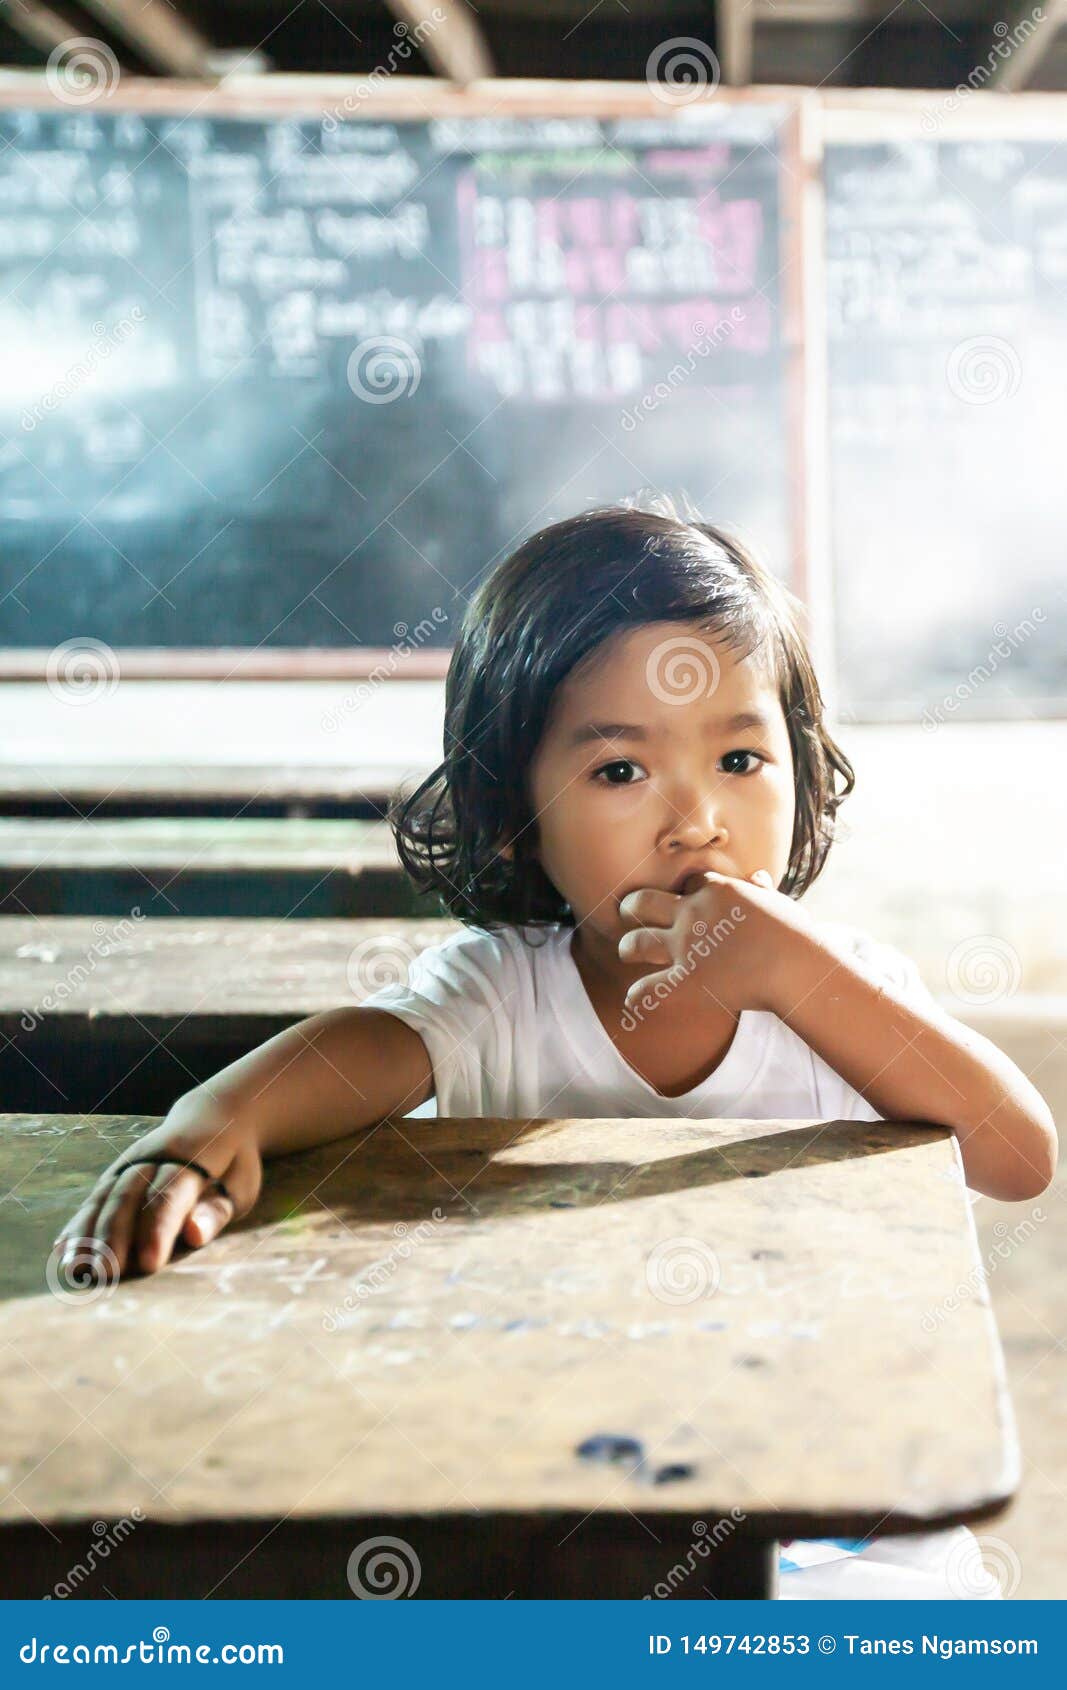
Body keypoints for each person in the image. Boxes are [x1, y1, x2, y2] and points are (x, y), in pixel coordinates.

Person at [52, 503, 1053, 1599]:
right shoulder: (502, 989)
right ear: (511, 817)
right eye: (620, 772)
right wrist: (209, 1127)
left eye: (737, 756)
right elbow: (357, 1050)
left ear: (802, 772)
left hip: (839, 1537)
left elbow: (1016, 1156)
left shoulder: (841, 983)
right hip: (563, 1512)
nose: (696, 819)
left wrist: (792, 976)